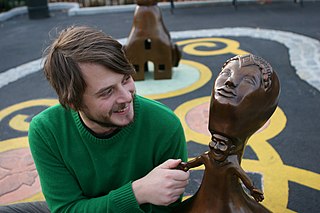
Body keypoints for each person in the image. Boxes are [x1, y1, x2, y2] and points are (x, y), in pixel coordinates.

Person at [9, 25, 189, 213]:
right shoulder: (46, 131)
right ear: (73, 103)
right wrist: (137, 193)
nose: (127, 97)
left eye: (126, 79)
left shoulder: (165, 126)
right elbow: (65, 209)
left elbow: (167, 210)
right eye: (107, 92)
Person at [175, 54, 279, 212]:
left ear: (262, 114)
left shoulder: (230, 163)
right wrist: (186, 166)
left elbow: (244, 177)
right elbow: (195, 162)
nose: (230, 81)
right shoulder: (209, 157)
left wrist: (253, 189)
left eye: (248, 81)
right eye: (225, 74)